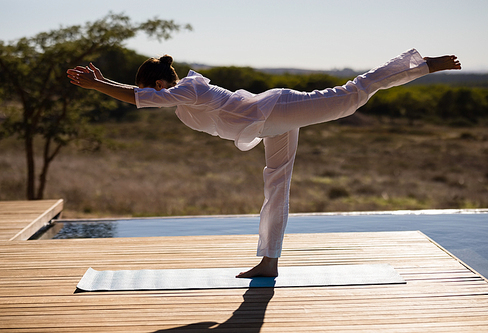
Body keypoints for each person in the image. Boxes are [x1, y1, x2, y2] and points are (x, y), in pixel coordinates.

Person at [67, 49, 461, 278]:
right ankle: (269, 261)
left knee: (353, 94)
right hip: (268, 124)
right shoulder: (178, 97)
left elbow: (136, 98)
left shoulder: (187, 89)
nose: (148, 95)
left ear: (157, 85)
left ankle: (424, 64)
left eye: (148, 88)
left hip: (276, 108)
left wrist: (98, 84)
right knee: (277, 182)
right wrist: (104, 80)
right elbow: (139, 94)